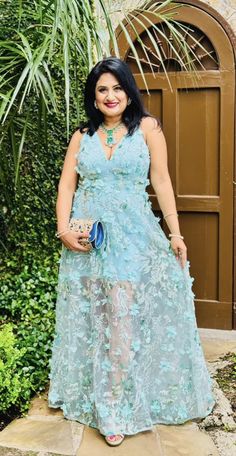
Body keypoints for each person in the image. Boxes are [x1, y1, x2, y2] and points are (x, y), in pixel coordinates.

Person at [48, 56, 215, 446]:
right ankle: (99, 393)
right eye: (102, 89)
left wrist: (176, 233)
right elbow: (66, 187)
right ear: (94, 96)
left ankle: (114, 408)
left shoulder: (147, 129)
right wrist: (62, 230)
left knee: (122, 321)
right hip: (87, 242)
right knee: (98, 320)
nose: (110, 96)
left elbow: (161, 179)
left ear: (128, 90)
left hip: (133, 240)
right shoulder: (82, 135)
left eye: (117, 87)